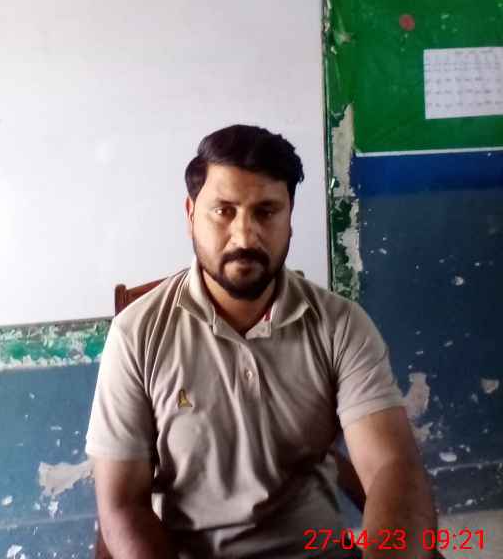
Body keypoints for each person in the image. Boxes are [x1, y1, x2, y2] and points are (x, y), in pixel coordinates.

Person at [85, 124, 437, 558]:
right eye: (223, 211)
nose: (245, 236)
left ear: (290, 218)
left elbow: (391, 466)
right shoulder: (137, 333)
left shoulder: (341, 325)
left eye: (266, 211)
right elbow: (122, 504)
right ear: (191, 213)